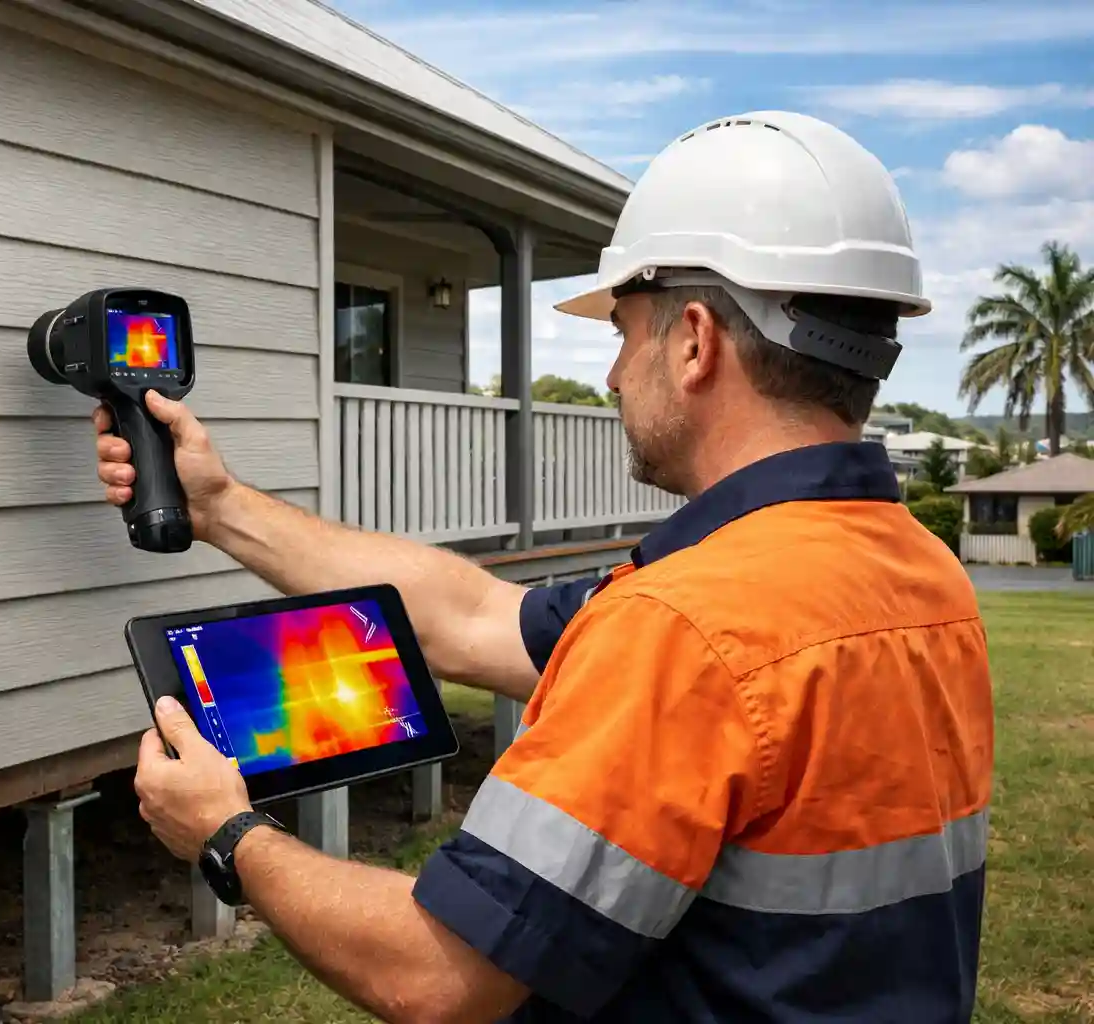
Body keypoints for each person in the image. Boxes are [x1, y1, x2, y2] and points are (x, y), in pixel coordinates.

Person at [99, 110, 994, 1023]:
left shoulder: (686, 631)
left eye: (622, 332)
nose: (610, 376)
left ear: (694, 341)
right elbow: (475, 618)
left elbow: (437, 973)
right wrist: (221, 507)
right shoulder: (917, 568)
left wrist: (228, 832)